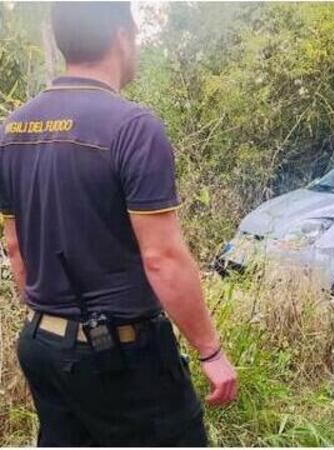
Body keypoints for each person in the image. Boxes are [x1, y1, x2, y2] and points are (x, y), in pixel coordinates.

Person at [0, 3, 236, 446]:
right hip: (122, 360)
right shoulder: (132, 127)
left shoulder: (11, 131)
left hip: (42, 349)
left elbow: (16, 252)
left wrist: (56, 318)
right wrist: (211, 352)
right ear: (122, 35)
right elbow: (162, 258)